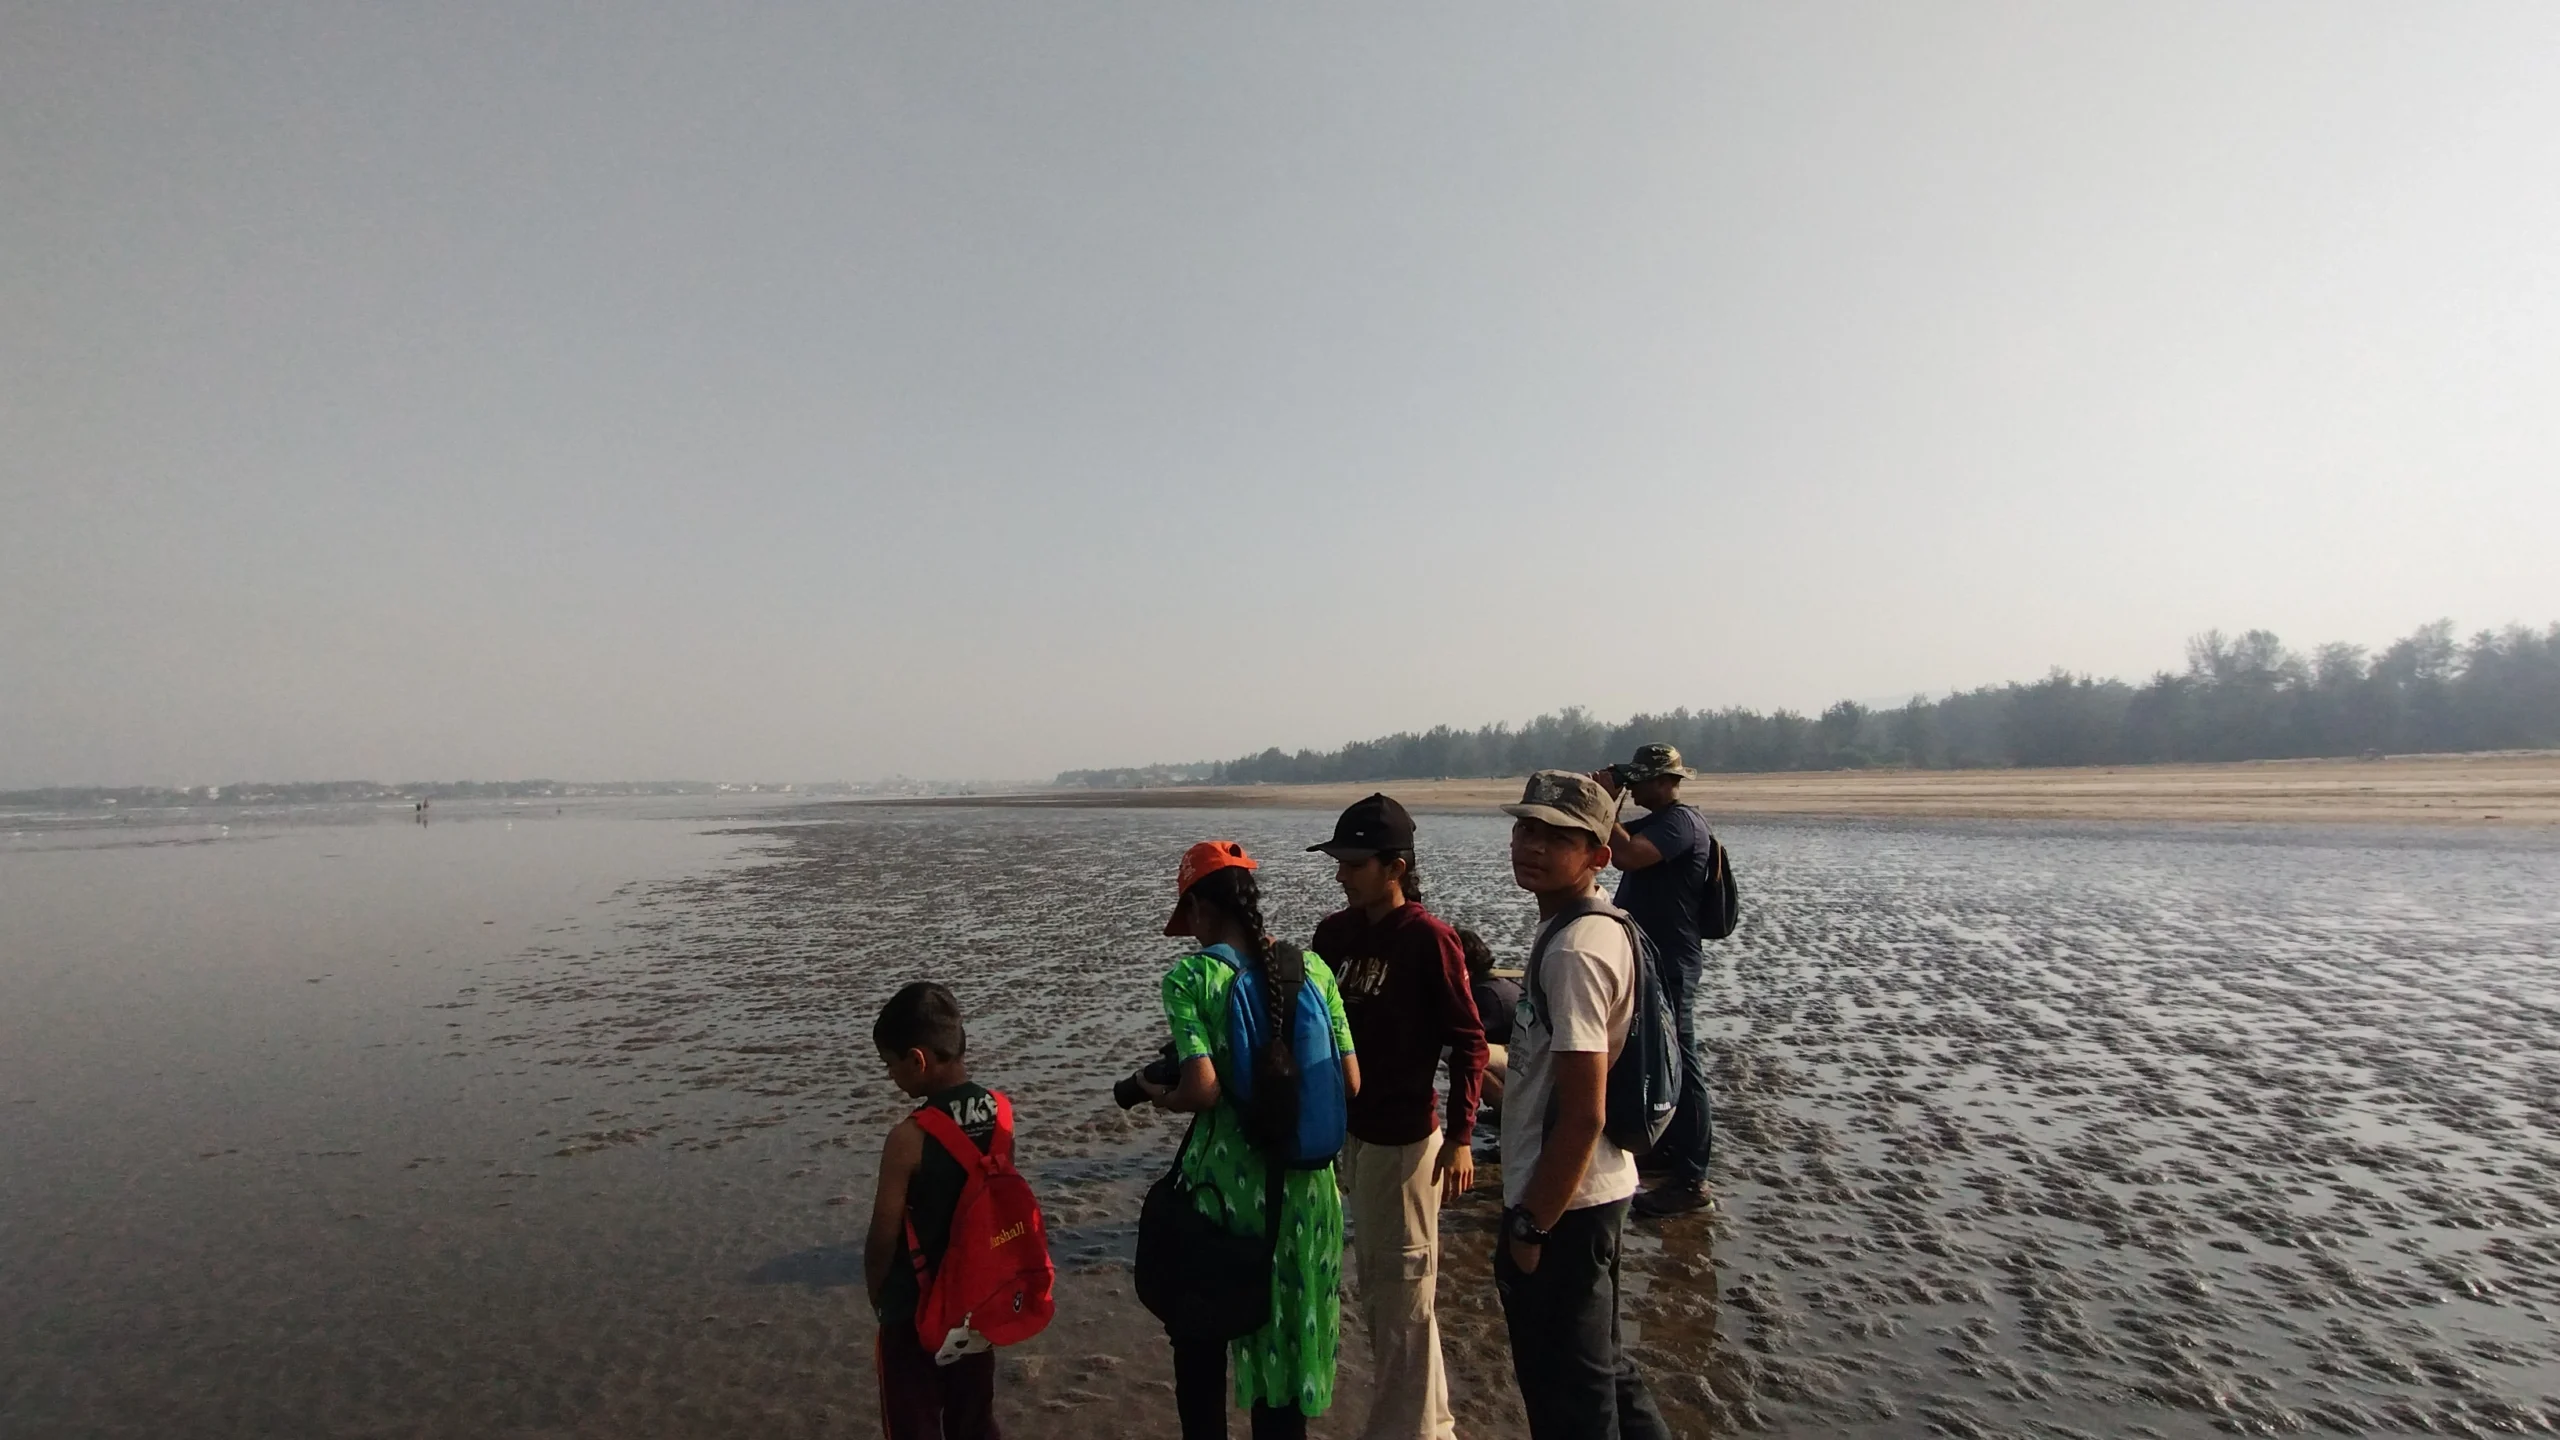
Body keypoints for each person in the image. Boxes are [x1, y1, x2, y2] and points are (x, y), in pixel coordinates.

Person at [1138, 840, 1363, 1440]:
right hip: (1309, 1194)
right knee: (1286, 1346)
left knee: (1199, 1333)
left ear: (1199, 910)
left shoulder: (1192, 977)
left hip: (1226, 1197)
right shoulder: (1314, 968)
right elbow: (1349, 1081)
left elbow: (1203, 1089)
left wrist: (1158, 1093)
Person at [1494, 771, 1670, 1440]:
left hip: (1568, 1201)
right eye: (1526, 829)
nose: (1533, 846)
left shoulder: (1575, 949)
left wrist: (1532, 1226)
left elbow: (1584, 1113)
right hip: (1595, 1189)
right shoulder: (1591, 924)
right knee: (1604, 1371)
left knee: (1570, 1394)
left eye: (1559, 838)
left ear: (1599, 855)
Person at [1306, 794, 1486, 1440]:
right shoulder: (1334, 936)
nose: (1341, 875)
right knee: (1382, 1295)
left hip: (1408, 1147)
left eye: (1354, 864)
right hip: (1351, 1140)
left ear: (1396, 868)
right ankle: (1434, 1427)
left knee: (1404, 1299)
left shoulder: (1428, 940)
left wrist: (1461, 1137)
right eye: (1338, 862)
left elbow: (1469, 1042)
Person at [864, 981, 1005, 1440]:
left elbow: (883, 1233)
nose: (891, 1076)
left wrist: (879, 1293)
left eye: (890, 1064)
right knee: (974, 1419)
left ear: (917, 1060)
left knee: (913, 1424)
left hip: (914, 1309)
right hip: (975, 1301)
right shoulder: (1001, 1114)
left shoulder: (908, 1138)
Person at [1592, 744, 1716, 1220]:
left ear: (1667, 782)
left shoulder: (1681, 823)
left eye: (1642, 780)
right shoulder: (1658, 821)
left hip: (1673, 960)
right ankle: (1667, 1148)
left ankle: (1693, 1178)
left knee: (1682, 1059)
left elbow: (1625, 854)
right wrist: (1604, 803)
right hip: (1653, 957)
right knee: (1659, 1054)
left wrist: (1608, 802)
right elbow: (1606, 843)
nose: (1636, 787)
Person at [1456, 927, 1516, 1108]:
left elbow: (1469, 1039)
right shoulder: (1492, 985)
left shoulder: (1486, 995)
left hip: (1527, 1066)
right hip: (1525, 1058)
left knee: (1463, 1053)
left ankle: (1505, 1109)